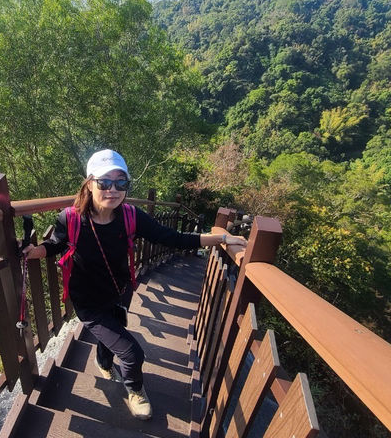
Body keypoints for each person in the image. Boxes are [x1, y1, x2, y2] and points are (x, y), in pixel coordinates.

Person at [22, 149, 247, 420]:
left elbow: (172, 237)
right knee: (131, 353)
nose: (113, 190)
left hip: (120, 292)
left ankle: (104, 362)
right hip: (87, 301)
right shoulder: (70, 219)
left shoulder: (130, 216)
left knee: (113, 334)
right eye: (105, 182)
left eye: (121, 183)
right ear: (89, 184)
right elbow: (55, 245)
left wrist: (220, 239)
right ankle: (136, 390)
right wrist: (34, 252)